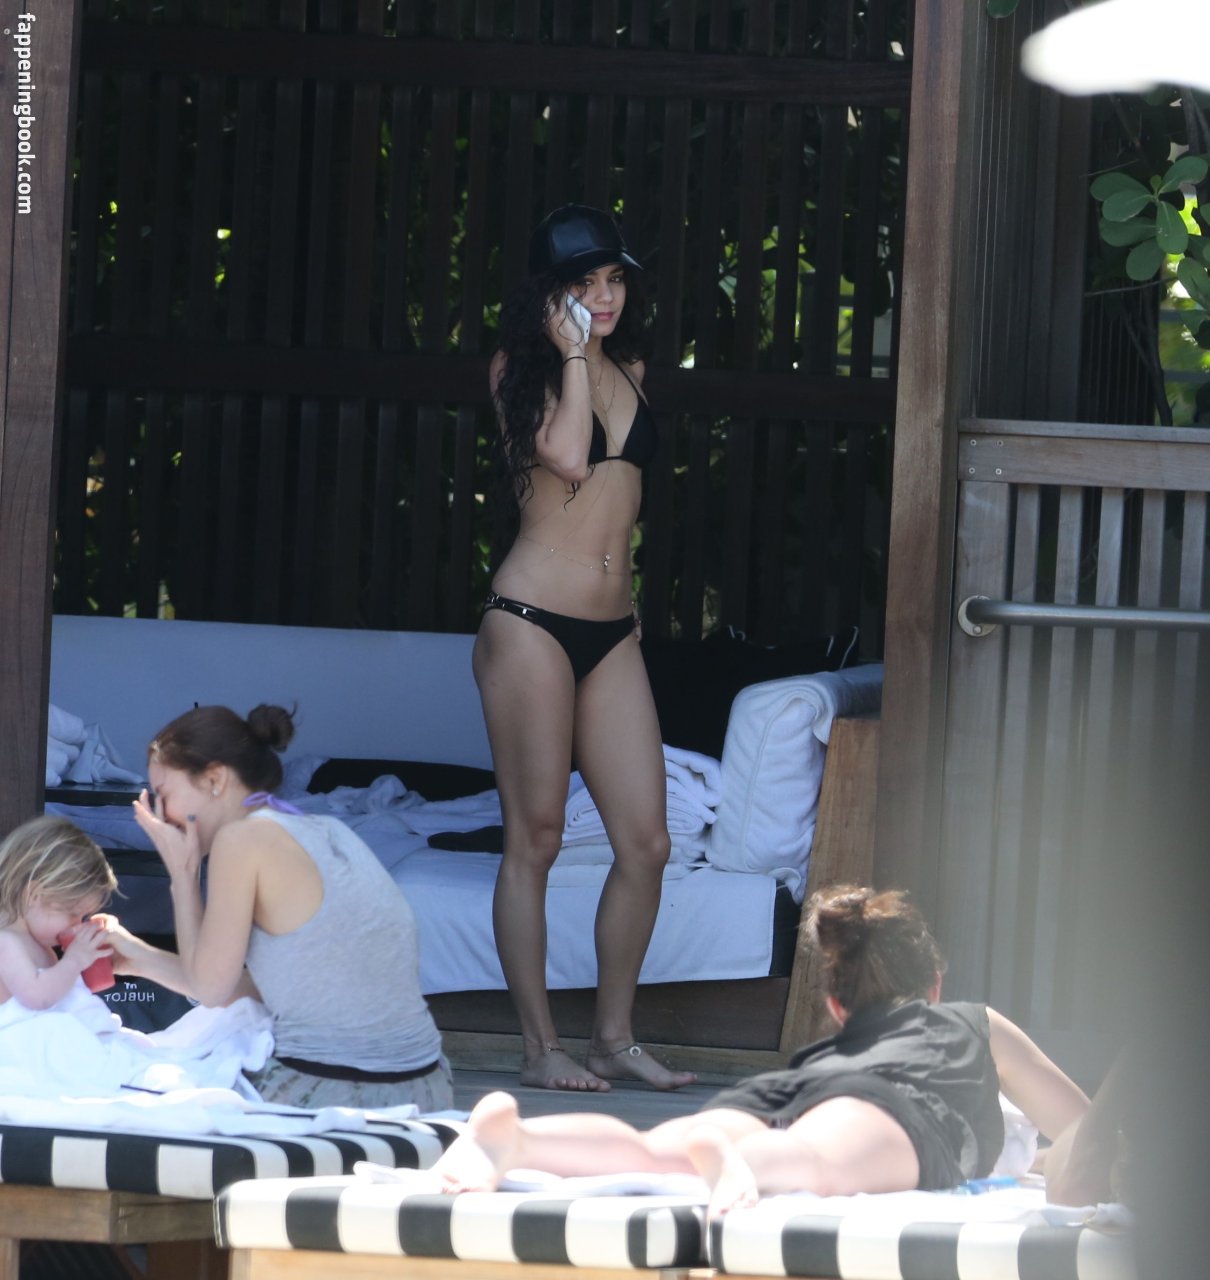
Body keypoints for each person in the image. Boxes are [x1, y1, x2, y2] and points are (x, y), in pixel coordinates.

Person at [428, 885, 1091, 1214]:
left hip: (793, 1088)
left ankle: (515, 1139)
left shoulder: (831, 1049)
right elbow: (1085, 1129)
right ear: (936, 987)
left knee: (654, 1148)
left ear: (838, 1007)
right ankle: (739, 1163)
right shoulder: (971, 1024)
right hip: (892, 1103)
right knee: (816, 1162)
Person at [476, 202, 693, 1093]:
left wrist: (628, 603)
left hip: (611, 630)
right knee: (535, 838)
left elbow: (622, 502)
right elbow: (568, 458)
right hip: (530, 620)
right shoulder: (517, 370)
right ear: (548, 295)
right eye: (583, 285)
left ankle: (613, 1038)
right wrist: (569, 354)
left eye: (614, 281)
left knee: (647, 842)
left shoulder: (632, 370)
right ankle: (540, 1049)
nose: (604, 298)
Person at [102, 703, 454, 1111]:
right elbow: (266, 988)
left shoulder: (242, 839)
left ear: (214, 778)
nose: (161, 815)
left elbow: (210, 989)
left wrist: (183, 875)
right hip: (425, 1087)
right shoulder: (328, 829)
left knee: (125, 1082)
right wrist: (138, 957)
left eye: (163, 794)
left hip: (334, 1089)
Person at [0, 815, 116, 1010]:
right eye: (73, 913)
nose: (77, 924)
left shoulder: (40, 945)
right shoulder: (6, 942)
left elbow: (59, 998)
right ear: (34, 894)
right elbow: (37, 997)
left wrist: (91, 960)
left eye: (83, 917)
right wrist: (75, 960)